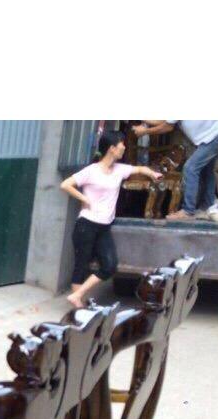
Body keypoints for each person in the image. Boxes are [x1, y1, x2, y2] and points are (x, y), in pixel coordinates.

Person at [60, 130, 162, 308]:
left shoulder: (119, 170)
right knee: (81, 266)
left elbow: (140, 169)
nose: (124, 147)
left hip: (104, 226)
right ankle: (78, 306)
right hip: (86, 225)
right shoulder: (91, 171)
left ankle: (77, 295)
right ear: (112, 148)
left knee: (110, 265)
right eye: (121, 144)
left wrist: (153, 174)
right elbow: (65, 184)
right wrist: (84, 199)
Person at [132, 120, 218, 220]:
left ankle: (188, 211)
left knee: (190, 168)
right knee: (206, 168)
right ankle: (207, 206)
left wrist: (145, 131)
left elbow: (168, 126)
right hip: (216, 132)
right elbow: (165, 120)